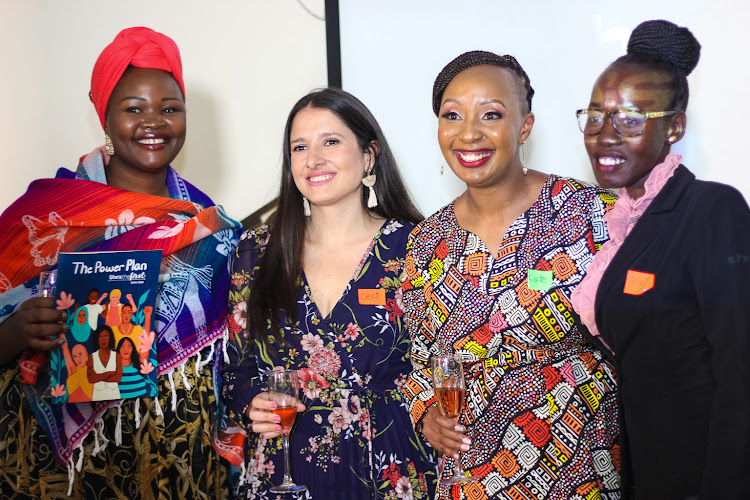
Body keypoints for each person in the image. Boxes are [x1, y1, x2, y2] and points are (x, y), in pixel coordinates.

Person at [0, 27, 241, 498]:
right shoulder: (43, 215)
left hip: (180, 467)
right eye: (134, 109)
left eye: (170, 109)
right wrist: (14, 333)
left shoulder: (209, 224)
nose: (154, 122)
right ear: (105, 118)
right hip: (60, 473)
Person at [400, 51, 621, 499]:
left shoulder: (593, 215)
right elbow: (419, 357)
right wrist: (427, 413)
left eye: (491, 114)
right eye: (452, 115)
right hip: (470, 469)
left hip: (578, 464)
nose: (468, 133)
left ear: (525, 126)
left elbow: (648, 338)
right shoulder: (427, 241)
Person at [222, 87, 437, 499]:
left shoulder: (416, 247)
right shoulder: (256, 252)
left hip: (389, 469)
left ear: (369, 155)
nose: (313, 159)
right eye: (299, 147)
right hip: (281, 472)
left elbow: (439, 363)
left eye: (331, 142)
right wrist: (252, 403)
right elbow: (234, 370)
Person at [571, 20, 750, 499]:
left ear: (674, 127)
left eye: (630, 119)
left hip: (702, 479)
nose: (604, 135)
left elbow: (741, 375)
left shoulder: (712, 210)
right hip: (646, 474)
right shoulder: (620, 222)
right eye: (594, 116)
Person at [88, 325, 122, 401]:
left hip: (114, 394)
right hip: (98, 395)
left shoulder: (117, 356)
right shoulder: (92, 357)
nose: (103, 340)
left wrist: (98, 377)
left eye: (106, 336)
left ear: (110, 338)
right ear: (96, 339)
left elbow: (118, 378)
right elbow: (91, 379)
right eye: (100, 337)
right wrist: (108, 373)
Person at [59, 333, 94, 403]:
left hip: (91, 404)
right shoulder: (73, 371)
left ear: (86, 355)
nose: (78, 358)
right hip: (71, 405)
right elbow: (65, 348)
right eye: (75, 356)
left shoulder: (93, 371)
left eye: (80, 354)